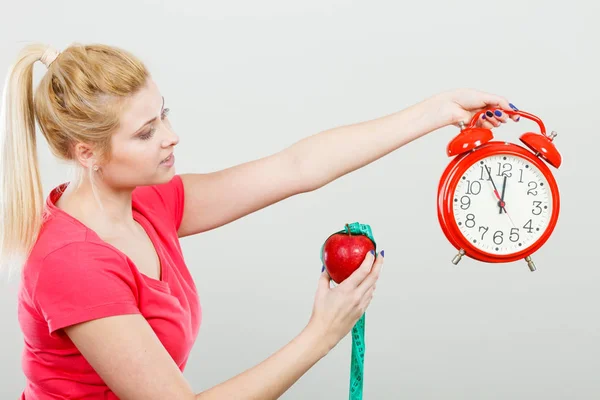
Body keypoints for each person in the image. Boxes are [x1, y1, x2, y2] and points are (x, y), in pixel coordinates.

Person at [0, 42, 519, 399]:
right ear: (86, 152)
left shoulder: (144, 204)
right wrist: (323, 333)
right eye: (145, 132)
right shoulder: (73, 265)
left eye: (165, 114)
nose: (171, 136)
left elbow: (295, 168)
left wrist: (437, 110)